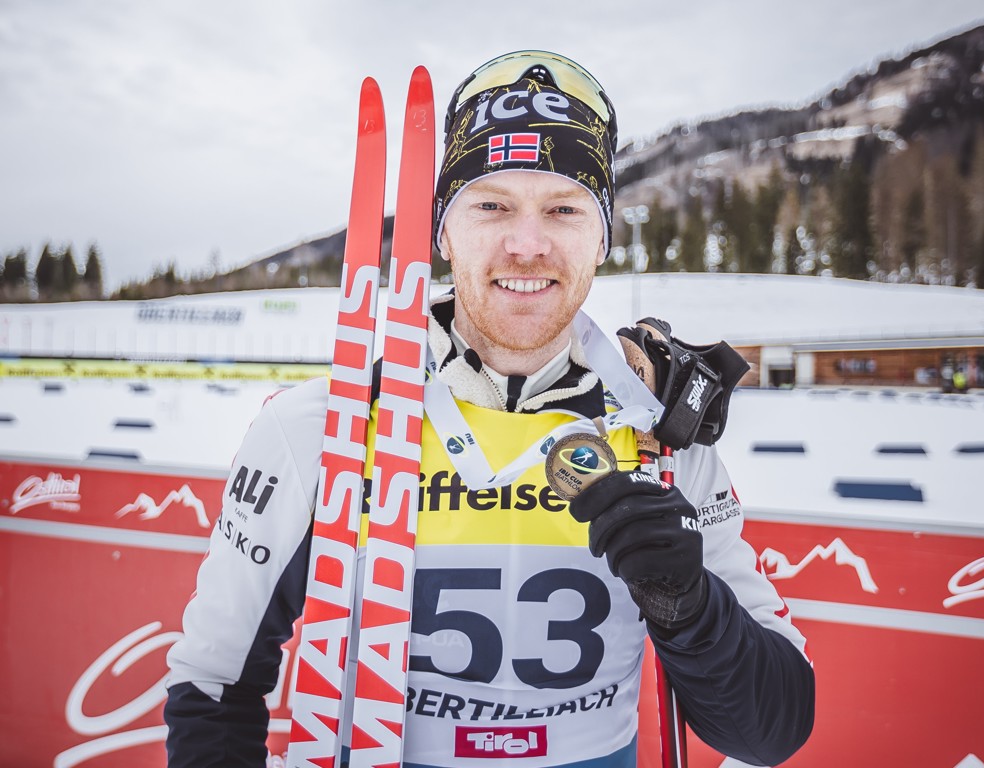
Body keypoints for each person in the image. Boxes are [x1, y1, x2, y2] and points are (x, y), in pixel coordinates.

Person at [164, 50, 814, 768]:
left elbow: (772, 730)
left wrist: (691, 609)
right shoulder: (319, 432)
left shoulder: (661, 444)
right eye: (492, 205)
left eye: (564, 209)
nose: (527, 245)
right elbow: (214, 686)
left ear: (602, 238)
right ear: (442, 233)